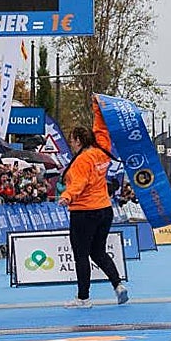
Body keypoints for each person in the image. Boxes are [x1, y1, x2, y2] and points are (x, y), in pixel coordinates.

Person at [59, 124, 129, 308]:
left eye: (72, 141)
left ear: (79, 141)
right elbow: (103, 132)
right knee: (98, 251)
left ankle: (83, 298)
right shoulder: (101, 152)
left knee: (81, 255)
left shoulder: (82, 159)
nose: (71, 145)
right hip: (104, 209)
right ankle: (118, 285)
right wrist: (98, 109)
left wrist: (67, 195)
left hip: (84, 211)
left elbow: (80, 183)